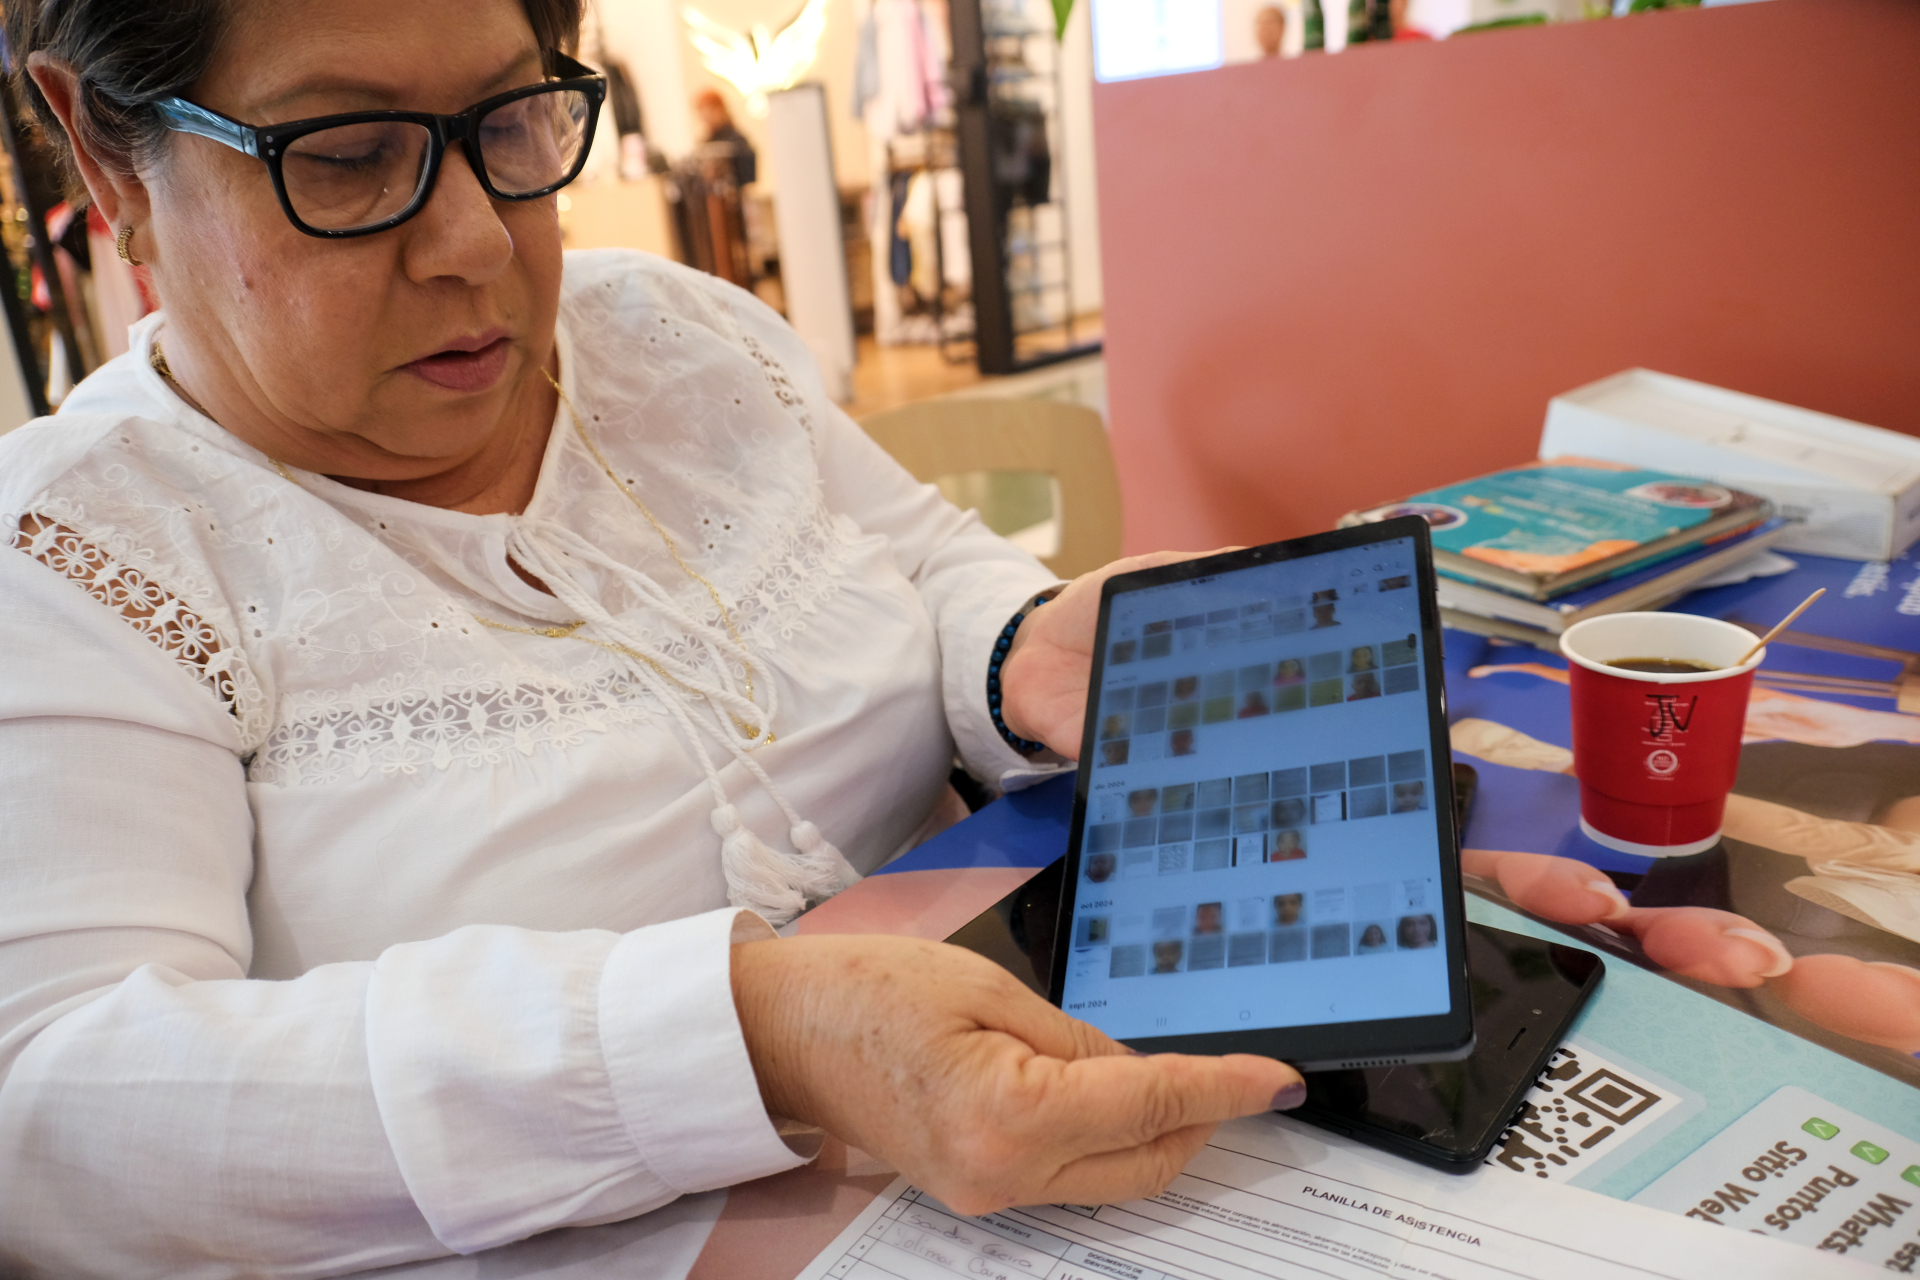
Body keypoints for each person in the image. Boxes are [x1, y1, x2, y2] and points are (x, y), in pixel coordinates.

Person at [0, 2, 1304, 1273]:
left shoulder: (671, 331)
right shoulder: (76, 554)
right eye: (347, 157)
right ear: (109, 154)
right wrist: (748, 1037)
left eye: (511, 125)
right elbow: (51, 1107)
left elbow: (908, 554)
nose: (474, 243)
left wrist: (1014, 645)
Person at [693, 86, 755, 188]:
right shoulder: (706, 142)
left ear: (719, 110)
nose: (705, 119)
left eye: (708, 112)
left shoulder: (737, 141)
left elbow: (748, 179)